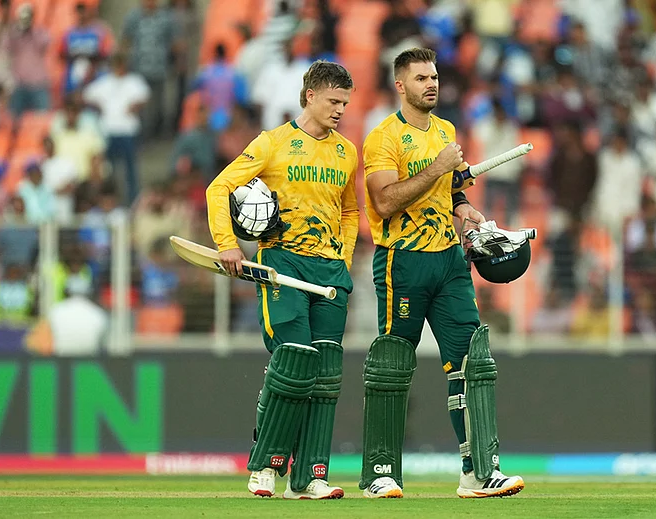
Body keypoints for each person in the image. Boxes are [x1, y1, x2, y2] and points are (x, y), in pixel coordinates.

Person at [359, 47, 524, 499]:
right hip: (402, 261)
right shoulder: (383, 137)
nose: (431, 84)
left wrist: (463, 205)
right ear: (400, 85)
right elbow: (384, 201)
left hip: (450, 260)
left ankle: (479, 471)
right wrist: (439, 167)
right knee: (393, 366)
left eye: (433, 77)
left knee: (473, 362)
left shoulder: (446, 130)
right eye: (421, 78)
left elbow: (449, 189)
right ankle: (379, 473)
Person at [205, 60, 358, 499]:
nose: (340, 110)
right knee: (293, 361)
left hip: (330, 271)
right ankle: (265, 467)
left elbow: (350, 211)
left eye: (345, 103)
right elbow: (219, 188)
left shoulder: (347, 152)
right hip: (282, 264)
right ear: (310, 95)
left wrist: (344, 258)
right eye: (334, 101)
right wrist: (228, 244)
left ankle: (309, 476)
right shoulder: (272, 143)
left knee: (325, 375)